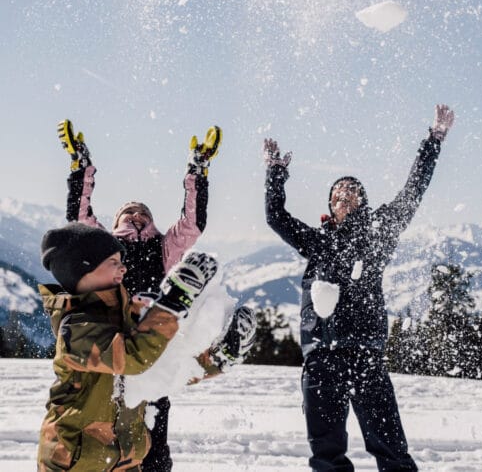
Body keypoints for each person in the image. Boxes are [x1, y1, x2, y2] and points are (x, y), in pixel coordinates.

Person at [263, 104, 455, 471]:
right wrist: (275, 173)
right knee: (326, 454)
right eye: (338, 192)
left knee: (391, 449)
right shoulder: (318, 241)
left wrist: (434, 140)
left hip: (365, 354)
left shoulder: (378, 234)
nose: (345, 194)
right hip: (320, 356)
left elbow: (413, 190)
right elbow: (276, 217)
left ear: (362, 202)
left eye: (352, 191)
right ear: (330, 206)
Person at [57, 120, 255, 471]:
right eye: (128, 211)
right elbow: (79, 216)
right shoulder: (106, 245)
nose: (136, 214)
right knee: (102, 428)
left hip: (153, 343)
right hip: (110, 338)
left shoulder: (162, 248)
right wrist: (81, 167)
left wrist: (198, 170)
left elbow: (192, 224)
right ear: (117, 220)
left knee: (152, 436)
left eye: (142, 212)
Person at [37, 222, 218, 471]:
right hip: (75, 463)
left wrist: (216, 359)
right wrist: (173, 301)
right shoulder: (77, 329)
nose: (123, 266)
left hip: (123, 461)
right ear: (84, 268)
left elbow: (165, 369)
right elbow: (133, 358)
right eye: (113, 261)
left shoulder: (125, 317)